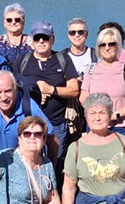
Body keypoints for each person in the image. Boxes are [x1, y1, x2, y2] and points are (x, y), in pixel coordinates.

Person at [12, 21, 80, 153]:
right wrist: (36, 89)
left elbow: (74, 90)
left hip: (57, 124)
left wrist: (51, 89)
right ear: (32, 40)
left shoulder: (63, 59)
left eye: (46, 37)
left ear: (52, 40)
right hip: (28, 125)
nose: (41, 41)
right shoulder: (22, 61)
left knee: (57, 162)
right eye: (37, 38)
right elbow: (14, 87)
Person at [80, 27, 125, 139]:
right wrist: (97, 114)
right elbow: (83, 97)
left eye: (111, 44)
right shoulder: (91, 69)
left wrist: (113, 115)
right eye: (102, 45)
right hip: (94, 127)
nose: (107, 48)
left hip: (120, 128)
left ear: (118, 46)